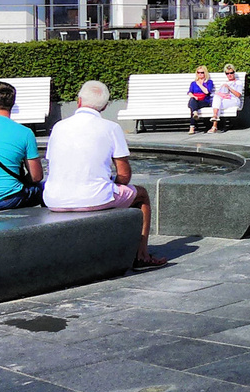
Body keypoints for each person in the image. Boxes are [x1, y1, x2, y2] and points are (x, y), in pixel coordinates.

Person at [44, 81, 164, 267]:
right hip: (93, 198)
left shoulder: (59, 127)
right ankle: (141, 254)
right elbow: (124, 174)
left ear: (79, 101)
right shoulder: (111, 128)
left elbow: (54, 164)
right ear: (106, 106)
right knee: (141, 195)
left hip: (54, 199)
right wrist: (114, 184)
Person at [0, 80, 43, 211]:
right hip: (9, 199)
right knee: (45, 187)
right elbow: (36, 176)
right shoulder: (25, 133)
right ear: (12, 105)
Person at [208, 63, 242, 134]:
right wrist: (223, 95)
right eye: (227, 73)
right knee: (217, 99)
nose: (229, 75)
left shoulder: (238, 82)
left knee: (217, 105)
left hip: (234, 100)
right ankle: (215, 118)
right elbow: (218, 94)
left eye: (231, 73)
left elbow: (238, 95)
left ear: (234, 72)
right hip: (224, 99)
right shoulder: (224, 83)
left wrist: (229, 88)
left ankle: (214, 125)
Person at [186, 66, 214, 134]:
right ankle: (195, 113)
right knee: (193, 101)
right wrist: (194, 97)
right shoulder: (193, 83)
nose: (200, 74)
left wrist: (200, 84)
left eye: (202, 72)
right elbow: (189, 92)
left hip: (204, 101)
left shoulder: (209, 82)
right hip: (195, 100)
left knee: (192, 107)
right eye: (198, 73)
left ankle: (192, 127)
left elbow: (207, 92)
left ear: (205, 73)